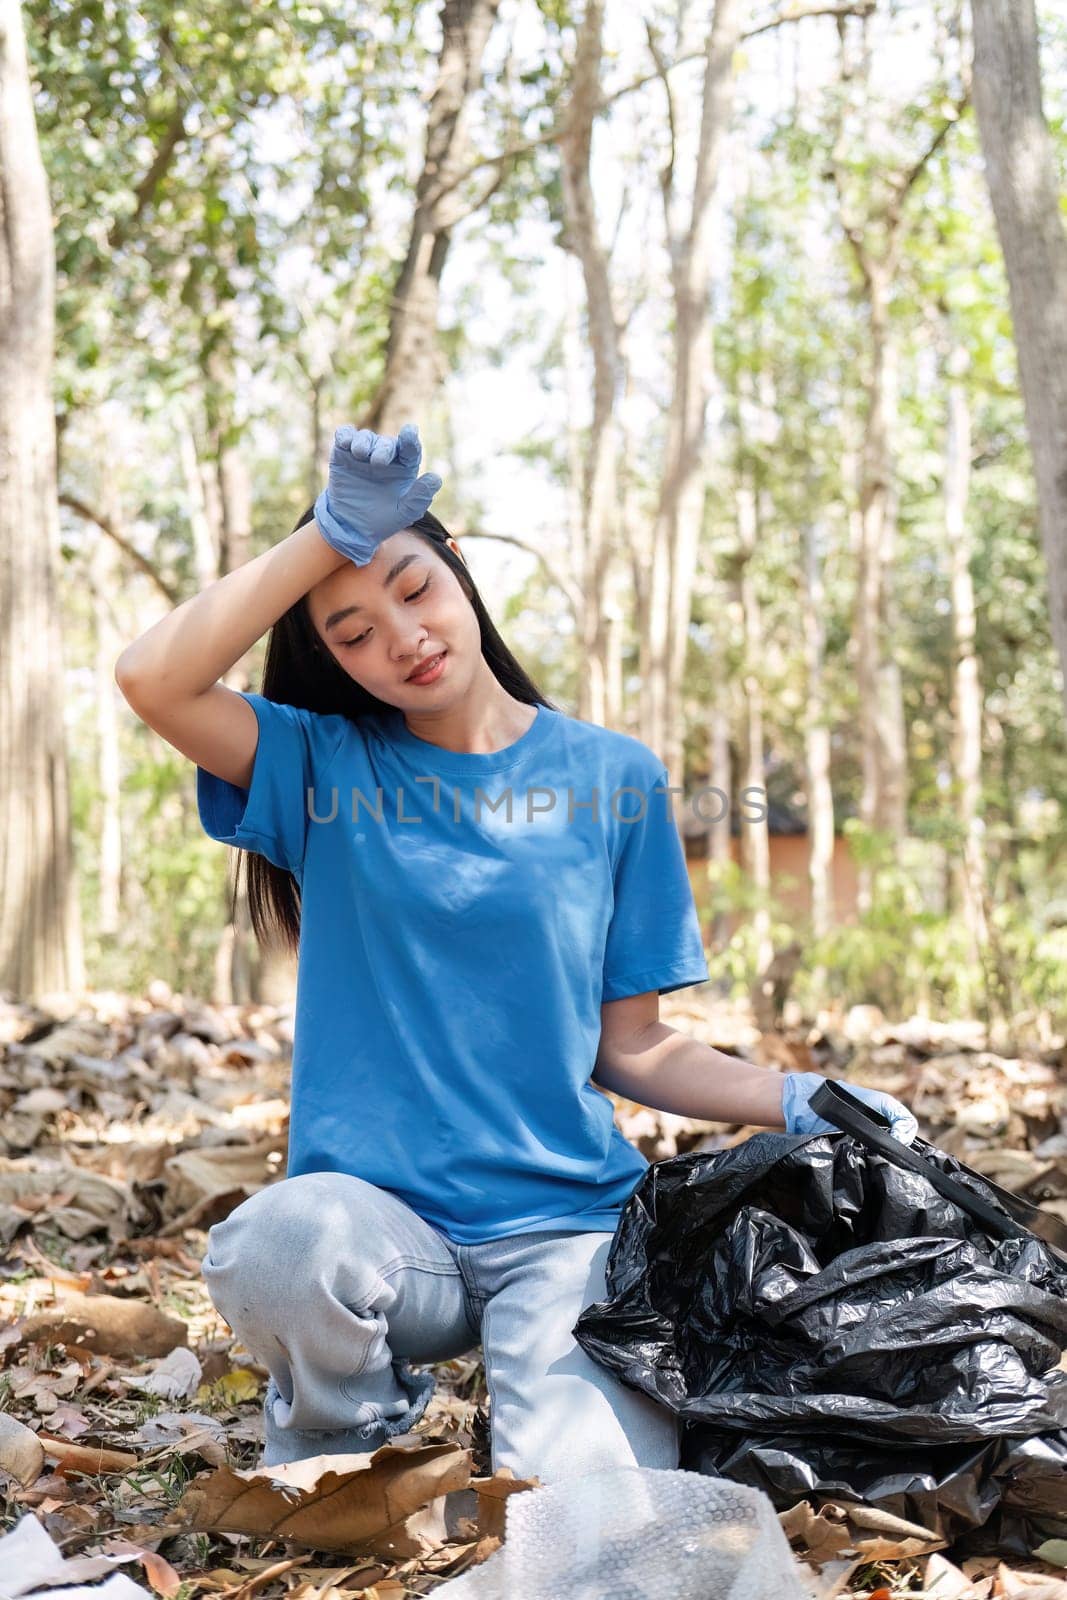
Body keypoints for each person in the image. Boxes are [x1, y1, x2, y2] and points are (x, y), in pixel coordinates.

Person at [115, 423, 917, 1485]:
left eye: (413, 588)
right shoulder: (323, 768)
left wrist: (803, 1096)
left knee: (588, 1518)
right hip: (380, 1234)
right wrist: (327, 535)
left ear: (459, 573)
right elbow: (151, 678)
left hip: (565, 1227)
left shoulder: (613, 778)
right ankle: (348, 1445)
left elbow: (631, 1047)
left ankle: (529, 1410)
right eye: (352, 633)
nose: (400, 637)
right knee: (277, 1243)